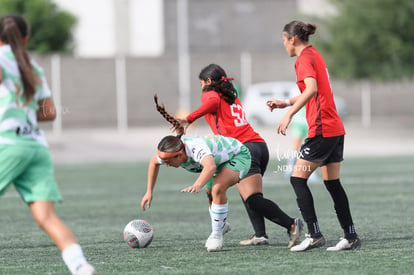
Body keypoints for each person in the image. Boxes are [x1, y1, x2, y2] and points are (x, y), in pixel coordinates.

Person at [0, 15, 96, 274]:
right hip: (36, 147)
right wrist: (27, 111)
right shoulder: (33, 67)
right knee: (46, 217)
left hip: (8, 144)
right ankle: (80, 266)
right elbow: (50, 112)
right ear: (26, 39)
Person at [175, 63, 303, 248]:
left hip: (243, 149)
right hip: (258, 146)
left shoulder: (210, 94)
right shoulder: (230, 95)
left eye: (201, 83)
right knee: (250, 195)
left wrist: (189, 118)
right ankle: (260, 234)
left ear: (209, 81)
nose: (201, 87)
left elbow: (211, 102)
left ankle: (292, 224)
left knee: (251, 198)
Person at [267, 20, 361, 252]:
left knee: (297, 179)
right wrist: (285, 102)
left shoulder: (304, 59)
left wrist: (288, 114)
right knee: (332, 183)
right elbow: (314, 90)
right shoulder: (314, 54)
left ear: (293, 39)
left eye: (283, 41)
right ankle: (351, 236)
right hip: (334, 128)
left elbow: (311, 90)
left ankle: (314, 235)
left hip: (322, 129)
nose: (284, 46)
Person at [141, 134, 252, 252]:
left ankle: (217, 235)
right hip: (218, 163)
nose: (166, 165)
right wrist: (149, 192)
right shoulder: (171, 152)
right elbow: (154, 163)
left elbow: (209, 167)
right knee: (210, 193)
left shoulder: (196, 148)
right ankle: (221, 225)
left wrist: (197, 184)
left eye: (168, 161)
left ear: (180, 155)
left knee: (217, 189)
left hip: (237, 156)